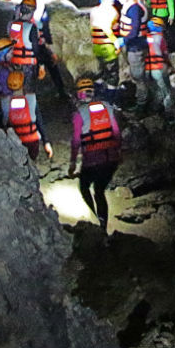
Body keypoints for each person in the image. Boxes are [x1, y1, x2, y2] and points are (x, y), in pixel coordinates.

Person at [67, 76, 122, 235]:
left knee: (84, 187)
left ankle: (96, 217)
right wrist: (119, 152)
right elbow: (116, 132)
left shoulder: (79, 113)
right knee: (99, 191)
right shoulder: (107, 106)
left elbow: (76, 140)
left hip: (92, 159)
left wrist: (72, 163)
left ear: (80, 94)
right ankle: (103, 225)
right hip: (111, 159)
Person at [24, 0, 67, 96]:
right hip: (33, 44)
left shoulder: (27, 8)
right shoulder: (32, 9)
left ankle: (61, 91)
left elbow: (44, 28)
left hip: (34, 44)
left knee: (51, 66)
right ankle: (58, 91)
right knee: (40, 69)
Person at [2, 69, 51, 161]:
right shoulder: (31, 98)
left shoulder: (5, 101)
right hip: (32, 141)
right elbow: (39, 121)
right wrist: (46, 142)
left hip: (15, 141)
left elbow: (4, 122)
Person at [115, 0, 150, 109]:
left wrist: (123, 40)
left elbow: (134, 31)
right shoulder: (134, 1)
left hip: (136, 46)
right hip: (134, 44)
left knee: (138, 77)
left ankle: (142, 104)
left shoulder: (134, 7)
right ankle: (142, 98)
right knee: (137, 75)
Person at [143, 17, 175, 122]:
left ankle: (152, 112)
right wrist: (170, 66)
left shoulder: (145, 37)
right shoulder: (160, 38)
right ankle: (170, 117)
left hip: (147, 69)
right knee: (167, 93)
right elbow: (165, 55)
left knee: (157, 91)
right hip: (158, 68)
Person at [89, 0, 122, 94]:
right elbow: (107, 29)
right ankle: (111, 95)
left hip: (96, 46)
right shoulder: (112, 11)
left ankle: (98, 90)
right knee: (112, 71)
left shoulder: (94, 11)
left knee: (101, 68)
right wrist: (116, 42)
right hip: (108, 46)